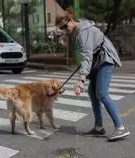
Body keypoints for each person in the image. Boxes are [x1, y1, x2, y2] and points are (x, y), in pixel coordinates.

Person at [55, 9, 130, 141]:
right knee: (92, 93)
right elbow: (86, 55)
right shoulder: (77, 30)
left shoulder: (84, 31)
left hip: (105, 60)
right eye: (62, 28)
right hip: (97, 61)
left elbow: (87, 57)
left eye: (65, 26)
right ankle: (99, 127)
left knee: (101, 93)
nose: (65, 30)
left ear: (71, 20)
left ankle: (120, 127)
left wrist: (81, 80)